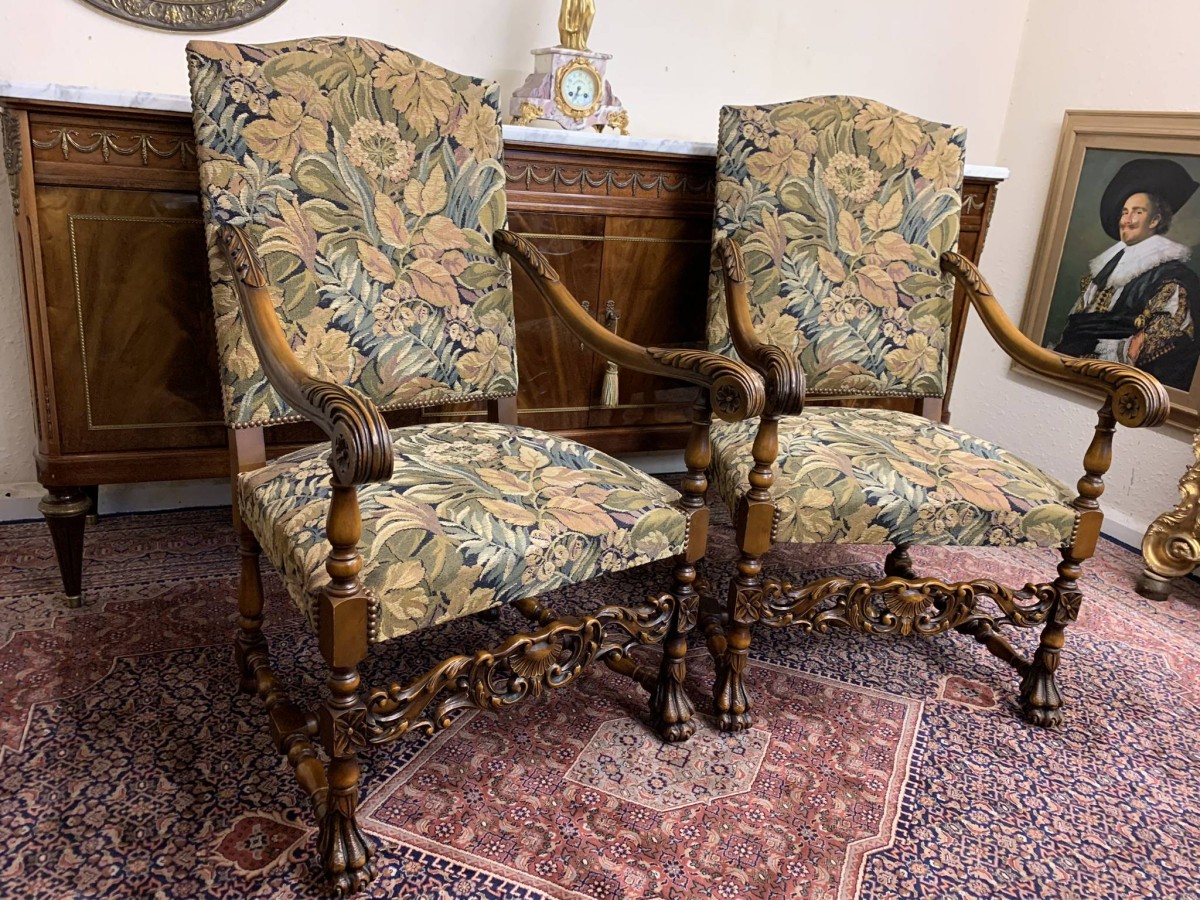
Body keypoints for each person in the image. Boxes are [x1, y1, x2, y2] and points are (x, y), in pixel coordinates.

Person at [1054, 157, 1200, 390]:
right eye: (1124, 212)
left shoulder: (1172, 276)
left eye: (1137, 212)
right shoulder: (1105, 269)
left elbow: (1169, 333)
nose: (1127, 221)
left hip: (1123, 380)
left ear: (1155, 220)